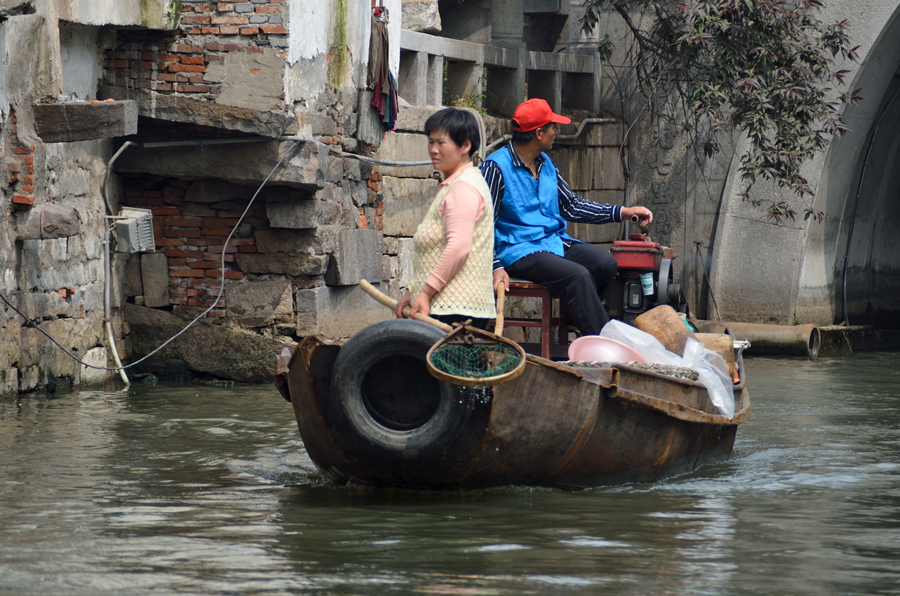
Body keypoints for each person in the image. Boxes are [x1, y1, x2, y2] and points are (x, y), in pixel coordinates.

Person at [480, 98, 653, 336]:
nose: (556, 132)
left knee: (605, 264)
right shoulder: (495, 168)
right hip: (518, 249)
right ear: (539, 133)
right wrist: (494, 266)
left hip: (552, 242)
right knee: (578, 275)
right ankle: (602, 344)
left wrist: (623, 212)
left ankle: (580, 316)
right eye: (553, 127)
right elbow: (480, 225)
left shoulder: (546, 163)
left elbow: (571, 206)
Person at [396, 108, 496, 328]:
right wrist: (413, 293)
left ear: (465, 146)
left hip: (454, 312)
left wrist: (425, 292)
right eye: (430, 142)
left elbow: (459, 247)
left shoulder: (463, 188)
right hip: (444, 307)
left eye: (441, 143)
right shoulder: (455, 184)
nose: (433, 150)